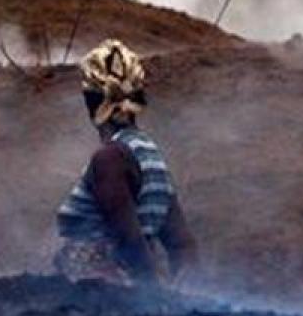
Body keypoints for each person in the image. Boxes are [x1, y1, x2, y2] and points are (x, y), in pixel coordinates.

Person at [55, 39, 199, 285]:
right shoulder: (152, 158)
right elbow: (183, 247)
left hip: (99, 299)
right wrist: (179, 298)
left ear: (90, 103)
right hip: (127, 297)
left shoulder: (108, 159)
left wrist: (149, 297)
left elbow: (128, 239)